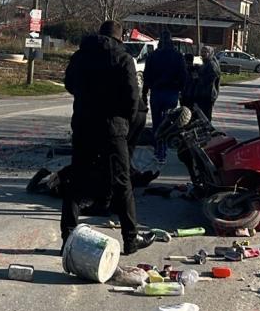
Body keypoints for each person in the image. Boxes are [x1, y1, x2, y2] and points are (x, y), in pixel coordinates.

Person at [60, 19, 156, 256]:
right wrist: (124, 120)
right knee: (122, 183)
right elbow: (133, 97)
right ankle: (131, 239)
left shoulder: (81, 55)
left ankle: (68, 237)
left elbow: (69, 83)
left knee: (76, 180)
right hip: (113, 128)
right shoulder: (123, 58)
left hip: (83, 125)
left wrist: (85, 98)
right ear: (119, 37)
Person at [142, 30, 186, 164]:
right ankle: (164, 150)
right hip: (171, 92)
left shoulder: (153, 56)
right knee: (167, 123)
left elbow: (146, 76)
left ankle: (158, 150)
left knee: (157, 122)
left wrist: (145, 92)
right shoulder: (178, 56)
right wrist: (181, 90)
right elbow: (183, 76)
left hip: (156, 92)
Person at [192, 45, 221, 122]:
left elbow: (211, 79)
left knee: (205, 116)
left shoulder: (212, 64)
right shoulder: (205, 63)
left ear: (210, 53)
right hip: (202, 94)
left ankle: (208, 132)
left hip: (207, 95)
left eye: (205, 52)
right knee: (200, 116)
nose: (203, 54)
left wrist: (198, 77)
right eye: (202, 52)